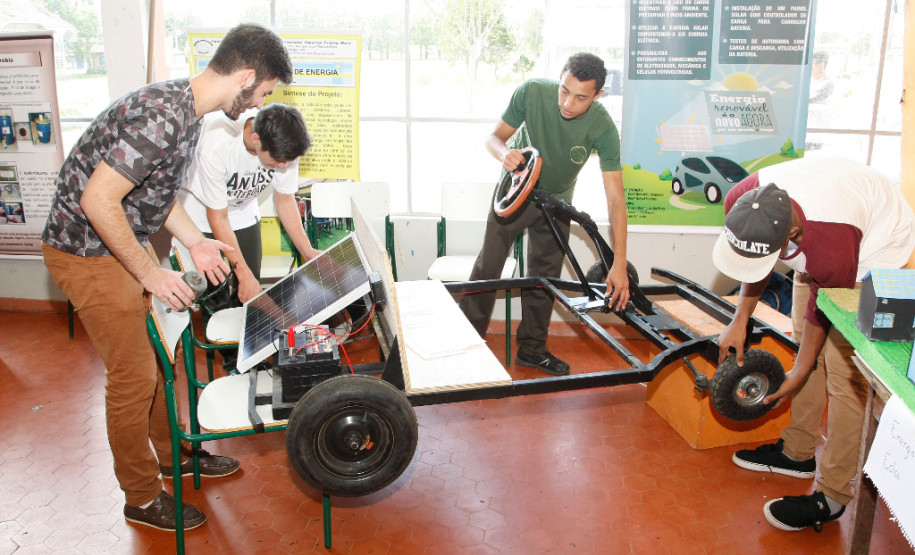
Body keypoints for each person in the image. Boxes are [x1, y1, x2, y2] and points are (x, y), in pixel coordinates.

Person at [40, 23, 293, 532]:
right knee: (133, 377)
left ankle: (174, 457)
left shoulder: (188, 111)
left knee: (156, 362)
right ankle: (140, 496)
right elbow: (97, 200)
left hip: (117, 244)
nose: (257, 104)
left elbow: (157, 196)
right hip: (85, 252)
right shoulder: (163, 117)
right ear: (245, 77)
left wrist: (195, 240)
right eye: (262, 92)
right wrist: (153, 274)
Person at [712, 155, 915, 532]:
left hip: (877, 244)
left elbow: (825, 306)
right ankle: (797, 452)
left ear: (789, 237)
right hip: (835, 209)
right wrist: (739, 319)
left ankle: (834, 495)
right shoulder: (742, 198)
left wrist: (799, 372)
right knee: (802, 340)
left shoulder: (832, 247)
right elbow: (758, 262)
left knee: (844, 374)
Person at [458, 52, 628, 376]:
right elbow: (494, 138)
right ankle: (466, 348)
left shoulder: (603, 127)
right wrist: (504, 154)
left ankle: (532, 350)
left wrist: (618, 263)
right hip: (516, 190)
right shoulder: (533, 91)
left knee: (544, 279)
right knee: (487, 269)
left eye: (580, 98)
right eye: (564, 90)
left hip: (556, 202)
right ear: (560, 78)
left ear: (598, 96)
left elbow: (616, 198)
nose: (567, 103)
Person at [180, 103, 316, 307]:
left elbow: (284, 199)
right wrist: (242, 275)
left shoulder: (285, 146)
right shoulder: (217, 144)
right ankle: (219, 333)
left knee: (250, 287)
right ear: (256, 139)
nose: (283, 167)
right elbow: (218, 217)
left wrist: (308, 251)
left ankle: (247, 335)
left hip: (243, 211)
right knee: (216, 291)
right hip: (202, 214)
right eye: (278, 161)